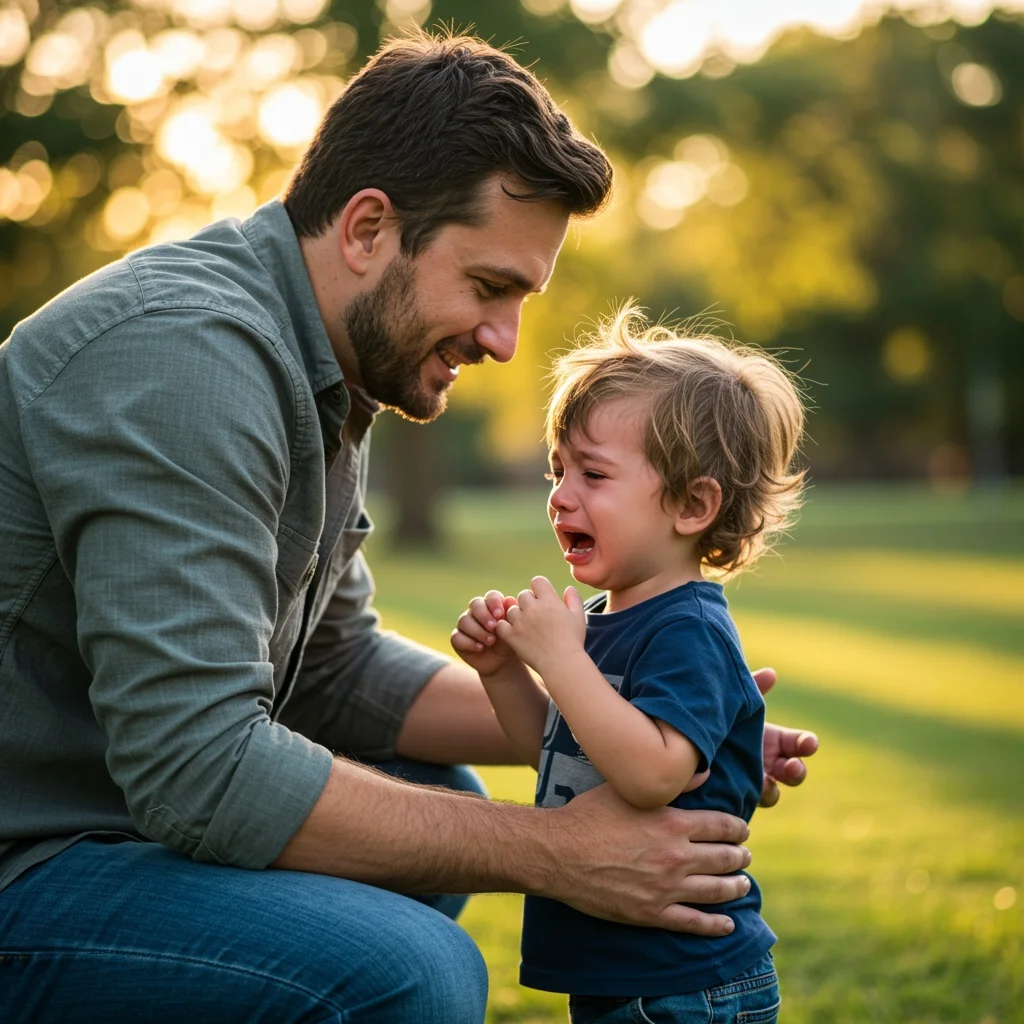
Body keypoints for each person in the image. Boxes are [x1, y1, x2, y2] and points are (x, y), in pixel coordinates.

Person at [0, 33, 816, 1024]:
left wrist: (663, 723)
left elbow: (334, 667)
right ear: (368, 228)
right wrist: (558, 852)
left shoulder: (324, 363)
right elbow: (196, 768)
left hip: (106, 823)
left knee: (432, 787)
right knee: (408, 969)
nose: (505, 340)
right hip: (28, 857)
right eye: (489, 286)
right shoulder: (187, 362)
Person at [451, 307, 807, 1022]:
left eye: (593, 473)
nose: (559, 496)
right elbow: (560, 757)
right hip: (625, 974)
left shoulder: (690, 629)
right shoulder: (610, 620)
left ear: (691, 504)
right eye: (557, 471)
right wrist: (504, 673)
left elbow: (651, 776)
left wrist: (559, 656)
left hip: (687, 984)